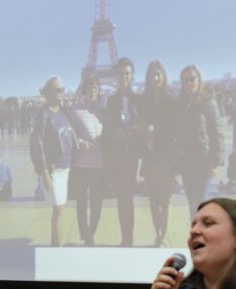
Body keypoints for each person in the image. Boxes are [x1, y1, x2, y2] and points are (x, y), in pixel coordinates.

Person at [30, 76, 77, 246]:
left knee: (59, 210)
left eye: (62, 89)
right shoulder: (43, 113)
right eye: (58, 89)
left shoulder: (62, 112)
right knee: (58, 210)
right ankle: (59, 248)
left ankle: (55, 245)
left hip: (65, 167)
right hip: (54, 169)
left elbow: (68, 134)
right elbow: (37, 143)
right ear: (48, 92)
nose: (61, 92)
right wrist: (43, 172)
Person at [174, 65, 224, 217]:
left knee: (201, 203)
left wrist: (215, 161)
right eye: (185, 80)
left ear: (199, 79)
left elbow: (217, 131)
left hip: (204, 160)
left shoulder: (208, 101)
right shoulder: (181, 104)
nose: (189, 83)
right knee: (192, 203)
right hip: (187, 161)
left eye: (192, 79)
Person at [102, 57, 141, 246]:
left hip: (133, 154)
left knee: (128, 198)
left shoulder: (138, 99)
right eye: (120, 74)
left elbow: (143, 124)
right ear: (116, 76)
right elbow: (107, 126)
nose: (123, 77)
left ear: (132, 75)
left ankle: (129, 237)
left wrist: (129, 132)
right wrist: (114, 132)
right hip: (117, 155)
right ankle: (126, 237)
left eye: (127, 73)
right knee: (122, 198)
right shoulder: (112, 101)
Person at [140, 60, 176, 247]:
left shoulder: (171, 100)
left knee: (165, 199)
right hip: (150, 156)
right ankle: (159, 234)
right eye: (152, 75)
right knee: (153, 199)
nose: (155, 78)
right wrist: (145, 132)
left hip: (166, 156)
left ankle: (162, 235)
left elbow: (175, 128)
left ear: (163, 76)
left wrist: (156, 131)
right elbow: (140, 124)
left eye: (158, 74)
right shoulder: (144, 100)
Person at [68, 75, 105, 245]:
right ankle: (86, 235)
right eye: (90, 88)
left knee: (97, 203)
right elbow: (68, 134)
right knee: (81, 202)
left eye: (95, 88)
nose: (93, 91)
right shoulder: (75, 111)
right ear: (84, 91)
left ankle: (92, 232)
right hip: (81, 164)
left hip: (99, 163)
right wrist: (79, 141)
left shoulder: (103, 111)